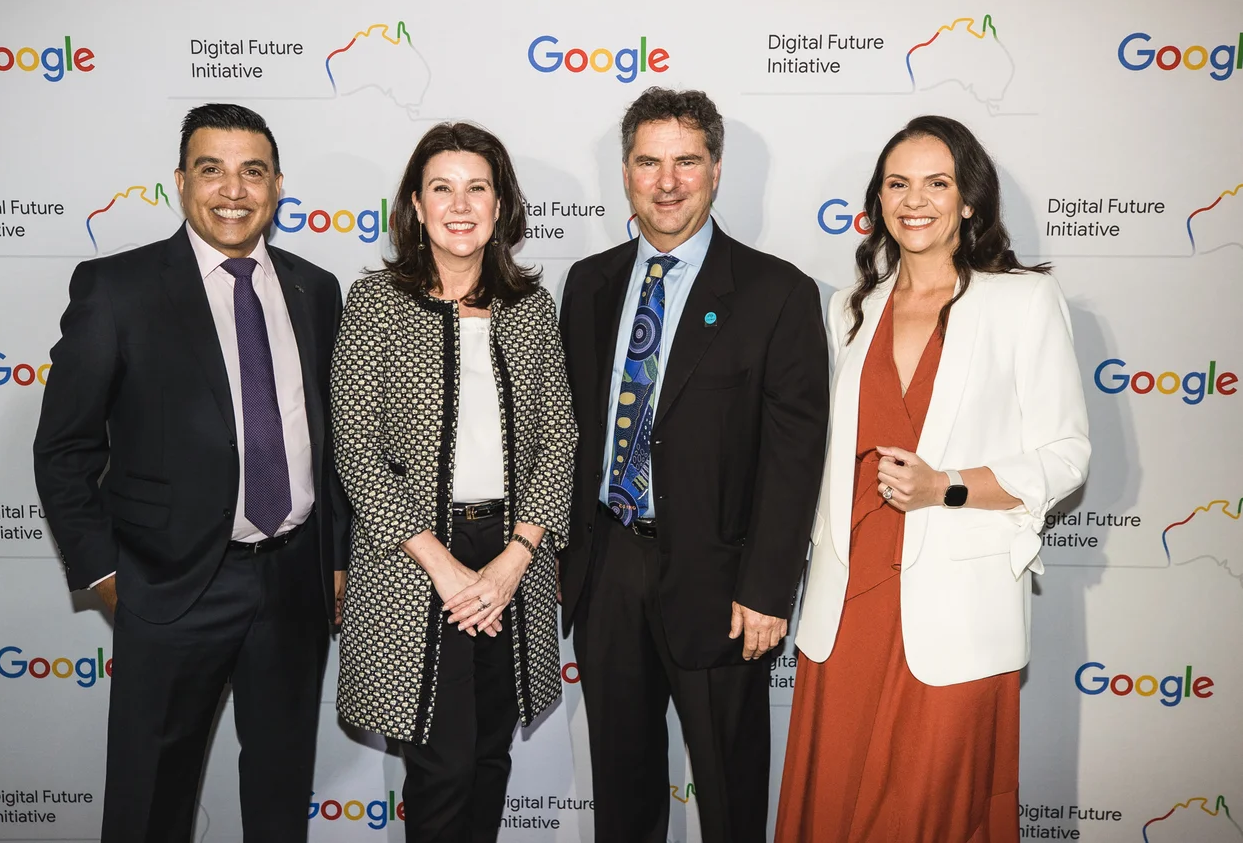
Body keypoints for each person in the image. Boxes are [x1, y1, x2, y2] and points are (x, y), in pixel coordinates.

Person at [33, 103, 350, 842]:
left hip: (293, 580)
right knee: (151, 804)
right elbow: (64, 448)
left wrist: (334, 559)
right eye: (211, 169)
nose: (232, 190)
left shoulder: (315, 286)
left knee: (280, 793)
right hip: (169, 585)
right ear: (181, 182)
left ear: (276, 186)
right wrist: (105, 573)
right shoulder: (117, 288)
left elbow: (329, 439)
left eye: (252, 171)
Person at [777, 115, 1091, 842]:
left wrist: (945, 483)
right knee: (840, 802)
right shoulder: (848, 309)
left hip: (957, 601)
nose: (914, 199)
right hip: (846, 599)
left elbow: (1066, 453)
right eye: (897, 183)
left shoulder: (1022, 301)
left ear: (969, 199)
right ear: (878, 201)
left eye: (936, 182)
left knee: (935, 807)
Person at [558, 87, 830, 843]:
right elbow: (570, 433)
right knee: (621, 791)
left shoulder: (775, 293)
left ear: (715, 170)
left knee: (729, 794)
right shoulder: (588, 284)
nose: (667, 181)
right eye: (649, 161)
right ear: (624, 173)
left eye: (686, 161)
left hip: (724, 588)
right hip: (607, 567)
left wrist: (768, 588)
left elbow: (793, 453)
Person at [330, 121, 577, 843]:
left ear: (500, 206)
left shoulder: (531, 309)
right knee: (441, 767)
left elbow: (559, 439)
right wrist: (442, 566)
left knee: (488, 753)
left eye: (478, 188)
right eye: (442, 187)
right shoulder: (374, 301)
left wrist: (511, 562)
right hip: (411, 560)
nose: (460, 204)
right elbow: (356, 449)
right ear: (415, 203)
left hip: (511, 553)